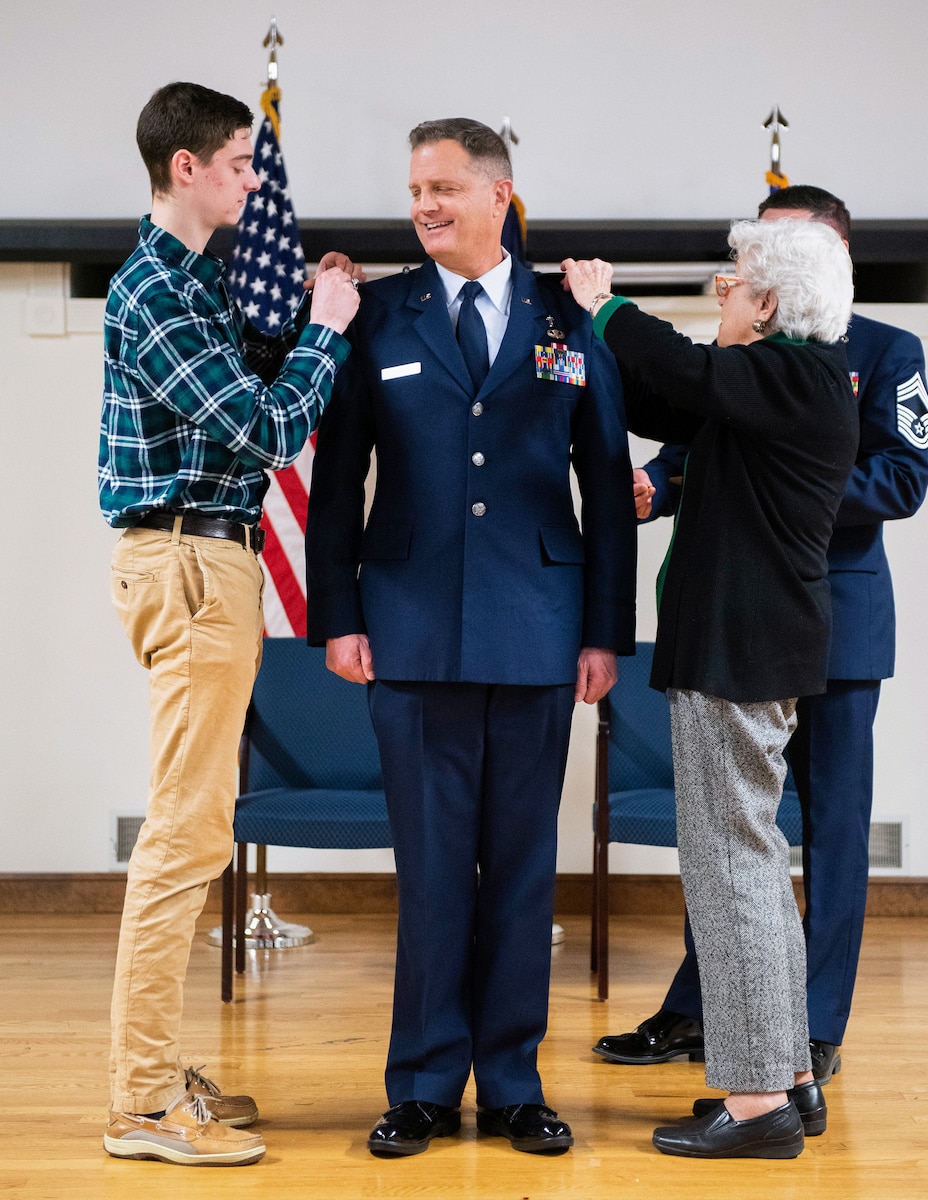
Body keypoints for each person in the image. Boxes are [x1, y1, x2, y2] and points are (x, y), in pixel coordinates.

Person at [305, 118, 637, 1158]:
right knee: (434, 868)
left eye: (444, 186)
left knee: (524, 868)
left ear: (501, 195)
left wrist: (605, 634)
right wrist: (340, 614)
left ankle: (513, 1085)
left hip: (539, 630)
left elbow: (606, 483)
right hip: (405, 630)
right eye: (415, 188)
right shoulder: (380, 313)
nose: (424, 205)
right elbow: (334, 483)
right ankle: (419, 1084)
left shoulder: (564, 314)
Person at [595, 186, 928, 1090]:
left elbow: (901, 477)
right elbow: (702, 429)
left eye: (758, 265)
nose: (738, 281)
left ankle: (811, 1032)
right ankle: (703, 1008)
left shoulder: (879, 353)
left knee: (817, 833)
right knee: (736, 838)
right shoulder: (750, 356)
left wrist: (790, 501)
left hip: (830, 618)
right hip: (746, 606)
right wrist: (661, 490)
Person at [98, 81, 362, 1167]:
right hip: (192, 563)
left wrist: (303, 313)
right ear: (187, 169)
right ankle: (144, 1105)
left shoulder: (198, 280)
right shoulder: (153, 289)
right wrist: (330, 337)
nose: (255, 183)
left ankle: (155, 1076)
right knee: (184, 839)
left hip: (211, 561)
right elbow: (263, 429)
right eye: (243, 166)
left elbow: (242, 380)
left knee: (192, 830)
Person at [563, 216, 859, 1159]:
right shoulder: (779, 385)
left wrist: (603, 302)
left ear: (768, 305)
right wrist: (603, 341)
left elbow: (684, 371)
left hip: (740, 649)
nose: (720, 294)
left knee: (729, 868)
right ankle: (787, 1079)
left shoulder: (793, 373)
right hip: (749, 648)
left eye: (732, 283)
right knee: (754, 866)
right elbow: (671, 400)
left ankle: (758, 1100)